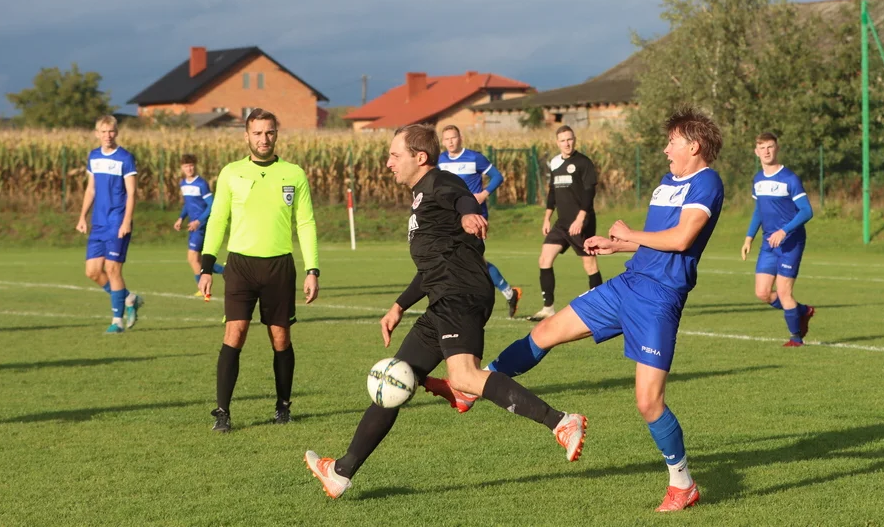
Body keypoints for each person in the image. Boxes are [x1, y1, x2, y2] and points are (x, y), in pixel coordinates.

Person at [426, 107, 724, 512]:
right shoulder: (669, 180)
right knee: (545, 332)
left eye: (672, 141)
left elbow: (683, 238)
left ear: (694, 144)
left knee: (648, 402)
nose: (666, 148)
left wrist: (627, 233)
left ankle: (683, 484)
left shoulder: (707, 182)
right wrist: (618, 245)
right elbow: (659, 239)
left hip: (659, 299)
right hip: (627, 284)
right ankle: (471, 387)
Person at [304, 124, 587, 500]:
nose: (388, 163)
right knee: (395, 379)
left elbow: (463, 199)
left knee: (467, 375)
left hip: (459, 294)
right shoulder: (420, 197)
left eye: (394, 155)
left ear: (419, 157)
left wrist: (470, 215)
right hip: (443, 298)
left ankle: (562, 422)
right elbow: (431, 267)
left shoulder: (440, 181)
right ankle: (341, 472)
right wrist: (398, 306)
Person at [198, 108, 320, 432]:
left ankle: (283, 406)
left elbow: (305, 223)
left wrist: (313, 269)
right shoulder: (231, 173)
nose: (263, 139)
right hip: (240, 265)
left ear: (276, 134)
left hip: (280, 265)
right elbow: (217, 220)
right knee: (234, 334)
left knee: (280, 339)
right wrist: (206, 267)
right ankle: (222, 413)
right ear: (247, 135)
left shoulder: (293, 174)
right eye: (257, 133)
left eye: (269, 132)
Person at [438, 124, 523, 317]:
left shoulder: (474, 157)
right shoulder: (440, 161)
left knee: (471, 259)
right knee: (469, 259)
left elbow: (497, 177)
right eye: (447, 139)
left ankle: (469, 301)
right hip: (453, 217)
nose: (450, 142)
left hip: (475, 215)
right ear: (443, 142)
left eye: (453, 137)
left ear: (460, 138)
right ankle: (510, 293)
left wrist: (484, 194)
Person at [741, 132, 816, 347]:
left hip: (790, 242)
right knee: (762, 293)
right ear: (756, 152)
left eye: (770, 147)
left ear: (777, 149)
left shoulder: (789, 179)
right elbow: (759, 211)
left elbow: (806, 211)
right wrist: (749, 238)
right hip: (768, 244)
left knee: (784, 293)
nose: (766, 151)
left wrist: (784, 231)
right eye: (762, 147)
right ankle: (802, 311)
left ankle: (796, 338)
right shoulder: (757, 179)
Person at [76, 115, 144, 334]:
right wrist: (82, 217)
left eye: (111, 131)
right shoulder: (94, 156)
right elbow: (91, 189)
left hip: (117, 221)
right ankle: (129, 298)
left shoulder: (125, 158)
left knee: (112, 269)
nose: (108, 136)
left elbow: (132, 193)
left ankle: (117, 321)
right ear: (97, 134)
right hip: (98, 222)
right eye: (103, 132)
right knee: (92, 271)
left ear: (117, 132)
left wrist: (126, 221)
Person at [528, 125, 602, 321]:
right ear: (557, 142)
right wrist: (547, 218)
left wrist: (580, 218)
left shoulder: (583, 163)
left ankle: (602, 307)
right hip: (561, 223)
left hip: (581, 223)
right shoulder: (554, 162)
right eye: (562, 140)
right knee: (544, 259)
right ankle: (548, 308)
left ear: (574, 139)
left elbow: (589, 192)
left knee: (590, 265)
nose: (566, 143)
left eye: (569, 139)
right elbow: (553, 192)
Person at [173, 154, 224, 296]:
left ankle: (202, 289)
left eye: (191, 165)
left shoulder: (201, 184)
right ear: (182, 168)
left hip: (200, 226)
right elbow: (188, 204)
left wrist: (198, 221)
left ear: (195, 166)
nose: (189, 168)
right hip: (192, 226)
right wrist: (180, 218)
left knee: (192, 258)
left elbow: (211, 204)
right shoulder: (183, 184)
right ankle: (227, 272)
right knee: (200, 260)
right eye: (186, 166)